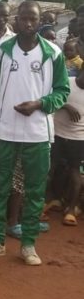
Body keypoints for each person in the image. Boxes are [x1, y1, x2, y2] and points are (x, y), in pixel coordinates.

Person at [0, 1, 69, 265]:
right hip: (4, 130)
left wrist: (40, 104)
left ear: (39, 21)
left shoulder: (52, 52)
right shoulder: (2, 51)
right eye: (24, 19)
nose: (28, 23)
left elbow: (62, 91)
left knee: (35, 189)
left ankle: (29, 243)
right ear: (16, 21)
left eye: (33, 19)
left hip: (38, 133)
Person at [51, 62, 84, 226]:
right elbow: (50, 98)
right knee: (48, 168)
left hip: (78, 138)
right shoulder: (67, 82)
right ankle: (46, 203)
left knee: (74, 171)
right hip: (56, 133)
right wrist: (65, 106)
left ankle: (71, 209)